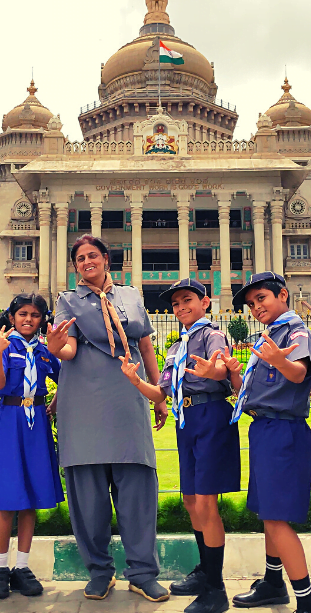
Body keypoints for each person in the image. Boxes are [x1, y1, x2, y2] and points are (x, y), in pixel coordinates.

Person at [47, 234, 169, 603]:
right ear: (75, 266)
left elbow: (145, 344)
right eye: (80, 258)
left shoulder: (131, 296)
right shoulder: (67, 301)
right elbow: (67, 349)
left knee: (136, 490)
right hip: (82, 403)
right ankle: (100, 572)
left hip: (128, 399)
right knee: (89, 496)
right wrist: (56, 346)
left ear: (106, 260)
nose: (87, 262)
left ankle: (143, 573)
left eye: (93, 255)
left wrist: (158, 392)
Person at [120, 278, 240, 613]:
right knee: (190, 501)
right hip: (186, 422)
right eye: (175, 304)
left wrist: (215, 371)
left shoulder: (212, 335)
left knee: (206, 503)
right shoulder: (176, 347)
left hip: (211, 416)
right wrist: (136, 380)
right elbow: (162, 393)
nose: (180, 308)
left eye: (187, 300)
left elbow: (220, 369)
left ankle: (216, 590)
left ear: (205, 302)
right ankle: (205, 570)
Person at [221, 272, 311, 611]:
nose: (256, 307)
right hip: (263, 429)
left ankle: (306, 598)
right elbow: (254, 386)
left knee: (275, 516)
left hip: (282, 430)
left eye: (262, 298)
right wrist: (233, 371)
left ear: (283, 295)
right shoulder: (268, 336)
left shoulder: (295, 331)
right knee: (267, 512)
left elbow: (299, 373)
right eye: (251, 303)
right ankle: (273, 583)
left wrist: (280, 361)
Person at [0, 293, 63, 600]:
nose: (28, 319)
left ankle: (22, 567)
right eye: (22, 314)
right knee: (7, 499)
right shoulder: (5, 345)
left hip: (37, 422)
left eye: (35, 315)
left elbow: (66, 378)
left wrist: (53, 401)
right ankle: (0, 569)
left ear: (42, 319)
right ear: (12, 317)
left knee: (31, 499)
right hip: (10, 420)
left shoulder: (44, 349)